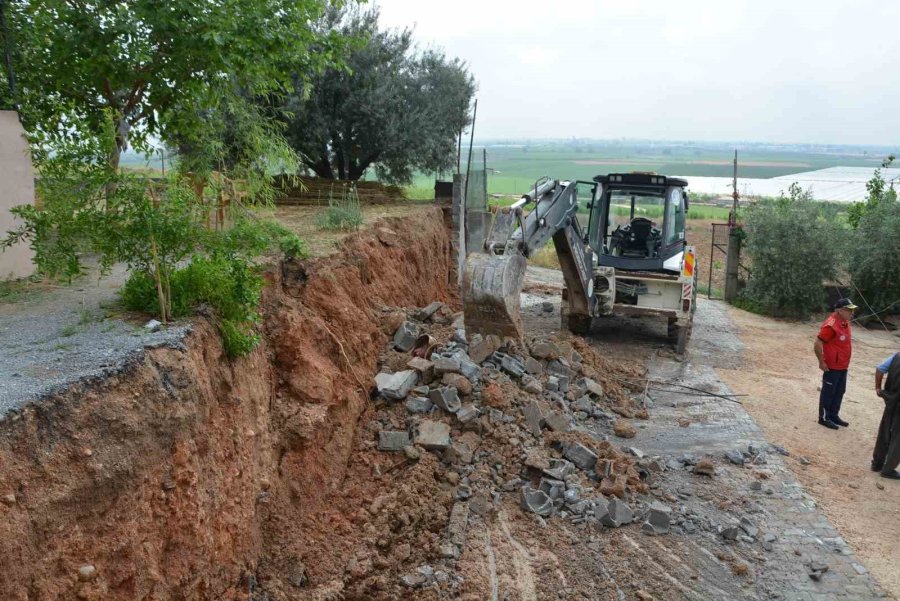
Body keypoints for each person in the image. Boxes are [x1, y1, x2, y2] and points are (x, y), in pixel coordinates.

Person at [813, 298, 858, 429]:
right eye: (849, 310)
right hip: (832, 366)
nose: (852, 313)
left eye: (852, 310)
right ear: (840, 310)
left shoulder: (845, 322)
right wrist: (821, 361)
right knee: (829, 392)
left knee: (839, 391)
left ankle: (833, 415)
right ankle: (824, 418)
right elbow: (817, 343)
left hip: (843, 365)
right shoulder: (831, 325)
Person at [872, 350, 900, 479]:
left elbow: (880, 368)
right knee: (897, 438)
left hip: (891, 398)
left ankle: (877, 463)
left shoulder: (897, 355)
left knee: (884, 430)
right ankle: (888, 469)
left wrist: (878, 388)